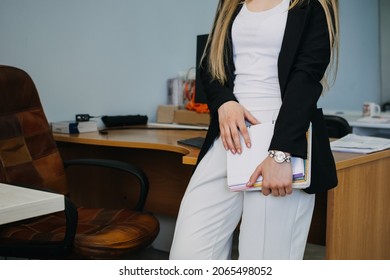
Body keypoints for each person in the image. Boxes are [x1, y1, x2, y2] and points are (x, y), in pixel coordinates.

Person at [170, 0, 339, 260]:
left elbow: (306, 79)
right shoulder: (231, 3)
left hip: (282, 136)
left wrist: (282, 153)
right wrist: (225, 103)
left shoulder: (311, 5)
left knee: (263, 260)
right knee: (187, 255)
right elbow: (210, 65)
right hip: (228, 134)